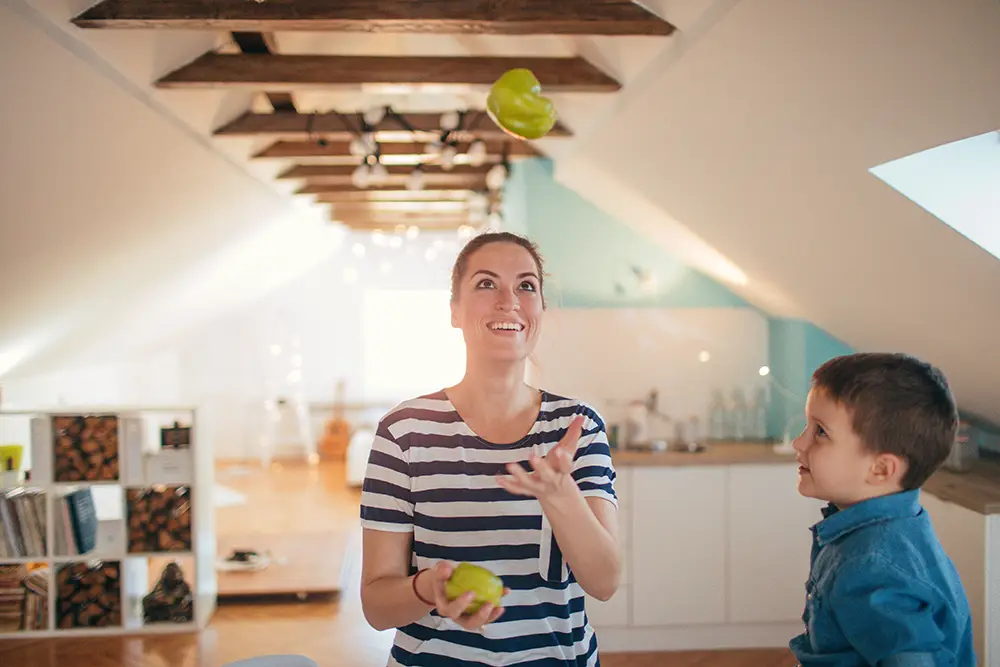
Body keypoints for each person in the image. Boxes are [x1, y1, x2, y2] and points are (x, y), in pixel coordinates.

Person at [358, 231, 621, 666]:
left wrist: (561, 497)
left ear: (540, 309)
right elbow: (377, 606)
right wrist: (427, 589)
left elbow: (605, 582)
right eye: (486, 283)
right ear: (455, 312)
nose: (509, 300)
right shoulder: (404, 432)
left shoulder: (577, 428)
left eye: (526, 285)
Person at [789, 352, 976, 666]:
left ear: (881, 469)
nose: (798, 442)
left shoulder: (870, 564)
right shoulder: (901, 526)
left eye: (820, 432)